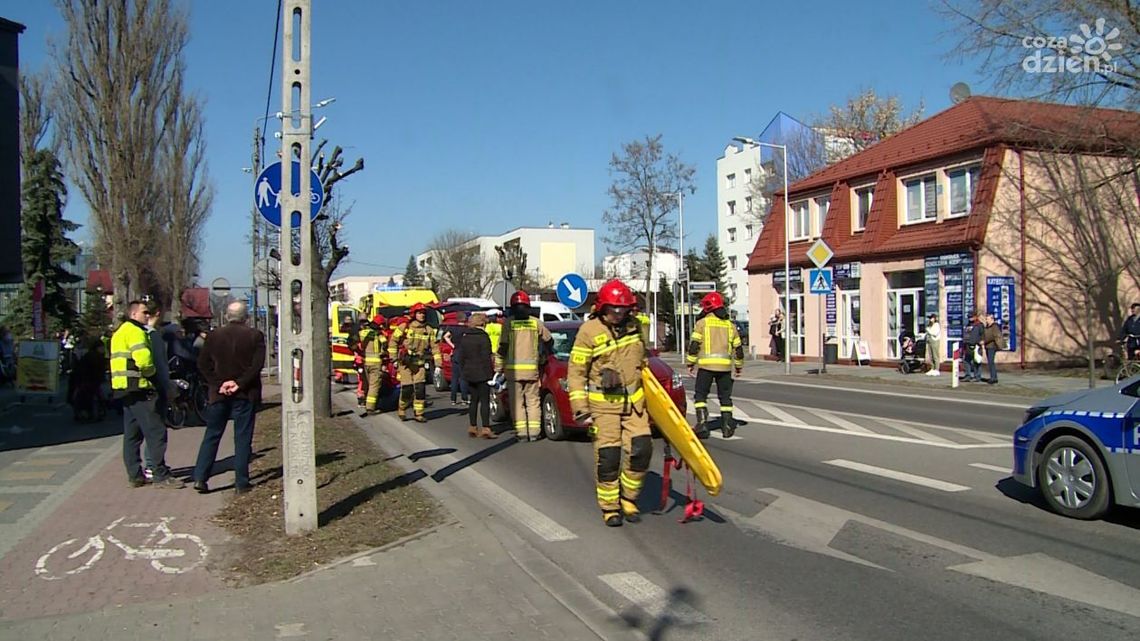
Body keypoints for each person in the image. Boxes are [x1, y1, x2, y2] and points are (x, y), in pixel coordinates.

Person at [567, 279, 651, 527]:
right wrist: (581, 410)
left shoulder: (635, 327)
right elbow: (576, 373)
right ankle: (610, 506)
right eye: (614, 309)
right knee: (609, 457)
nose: (619, 313)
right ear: (602, 308)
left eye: (623, 309)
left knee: (641, 451)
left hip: (634, 404)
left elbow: (643, 363)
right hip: (603, 407)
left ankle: (629, 498)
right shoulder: (589, 331)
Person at [192, 301, 266, 494]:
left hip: (218, 394)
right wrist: (239, 383)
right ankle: (241, 482)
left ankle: (200, 477)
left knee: (212, 434)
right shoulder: (254, 336)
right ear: (246, 317)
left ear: (226, 316)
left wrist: (219, 383)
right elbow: (257, 366)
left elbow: (202, 364)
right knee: (242, 437)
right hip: (245, 393)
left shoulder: (214, 336)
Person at [110, 301, 182, 489]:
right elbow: (144, 361)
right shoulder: (136, 332)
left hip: (124, 389)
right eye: (144, 312)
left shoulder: (119, 332)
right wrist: (156, 379)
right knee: (156, 431)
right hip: (141, 388)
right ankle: (160, 474)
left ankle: (135, 474)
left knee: (132, 434)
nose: (147, 316)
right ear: (133, 314)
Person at [686, 292, 745, 439]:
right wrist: (738, 367)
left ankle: (702, 424)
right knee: (725, 398)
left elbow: (694, 345)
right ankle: (726, 426)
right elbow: (738, 349)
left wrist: (690, 363)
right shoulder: (730, 325)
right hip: (725, 368)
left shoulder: (702, 323)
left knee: (700, 396)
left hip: (706, 367)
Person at [496, 290, 552, 441]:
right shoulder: (535, 322)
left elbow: (503, 346)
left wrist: (498, 368)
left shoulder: (508, 323)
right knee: (533, 402)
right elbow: (549, 340)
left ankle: (521, 433)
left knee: (518, 403)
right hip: (531, 371)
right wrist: (544, 356)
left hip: (513, 373)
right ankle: (534, 433)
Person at [388, 303, 441, 423]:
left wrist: (438, 364)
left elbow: (435, 348)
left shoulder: (429, 330)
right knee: (407, 388)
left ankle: (419, 413)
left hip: (419, 363)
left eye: (423, 313)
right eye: (419, 313)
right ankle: (402, 408)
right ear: (414, 314)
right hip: (405, 363)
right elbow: (393, 342)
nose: (422, 315)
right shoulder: (404, 327)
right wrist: (394, 359)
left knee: (420, 389)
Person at [459, 312, 497, 439]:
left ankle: (472, 427)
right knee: (484, 401)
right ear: (482, 323)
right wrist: (490, 375)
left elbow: (461, 358)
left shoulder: (465, 337)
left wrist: (464, 371)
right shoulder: (484, 337)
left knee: (473, 401)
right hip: (482, 373)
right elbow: (487, 358)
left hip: (469, 373)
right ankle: (486, 428)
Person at [360, 315, 388, 415]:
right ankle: (370, 408)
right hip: (375, 363)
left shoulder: (363, 332)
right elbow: (385, 344)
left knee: (367, 384)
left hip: (365, 362)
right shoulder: (378, 334)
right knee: (374, 386)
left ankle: (365, 402)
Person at [443, 321, 470, 406]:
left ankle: (453, 399)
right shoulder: (467, 329)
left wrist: (453, 345)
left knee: (454, 378)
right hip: (463, 353)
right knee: (463, 378)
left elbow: (445, 336)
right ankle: (464, 399)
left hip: (455, 353)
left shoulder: (453, 328)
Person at [981, 313, 1005, 385]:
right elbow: (985, 335)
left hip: (992, 346)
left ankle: (994, 378)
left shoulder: (994, 327)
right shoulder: (987, 327)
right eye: (986, 319)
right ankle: (993, 377)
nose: (986, 320)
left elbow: (992, 336)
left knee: (991, 362)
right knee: (990, 362)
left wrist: (984, 341)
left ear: (992, 319)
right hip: (988, 346)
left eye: (987, 319)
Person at [962, 311, 984, 383]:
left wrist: (981, 341)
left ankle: (977, 376)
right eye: (969, 317)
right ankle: (968, 375)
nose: (970, 318)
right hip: (967, 345)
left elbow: (983, 334)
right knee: (966, 361)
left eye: (971, 317)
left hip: (976, 345)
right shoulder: (968, 325)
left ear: (975, 317)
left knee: (976, 361)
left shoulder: (979, 325)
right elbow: (966, 333)